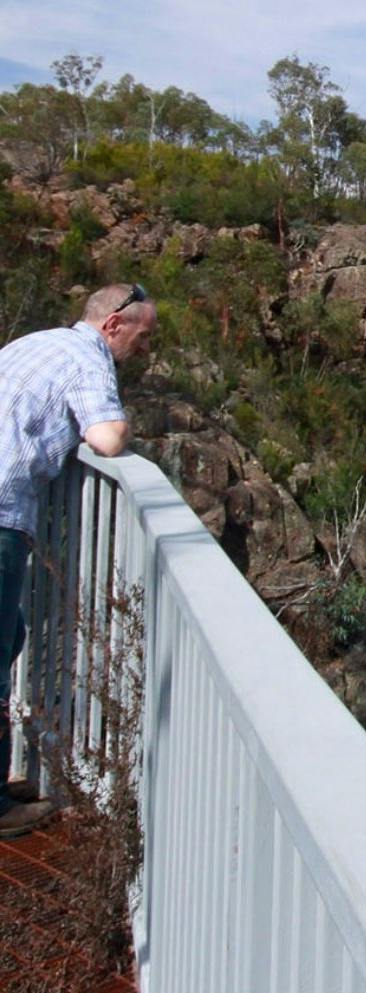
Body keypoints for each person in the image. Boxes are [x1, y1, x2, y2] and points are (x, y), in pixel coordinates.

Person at [0, 282, 156, 837]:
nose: (144, 346)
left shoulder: (33, 343)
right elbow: (107, 439)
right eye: (143, 334)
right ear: (114, 324)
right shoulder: (87, 360)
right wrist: (125, 422)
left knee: (9, 638)